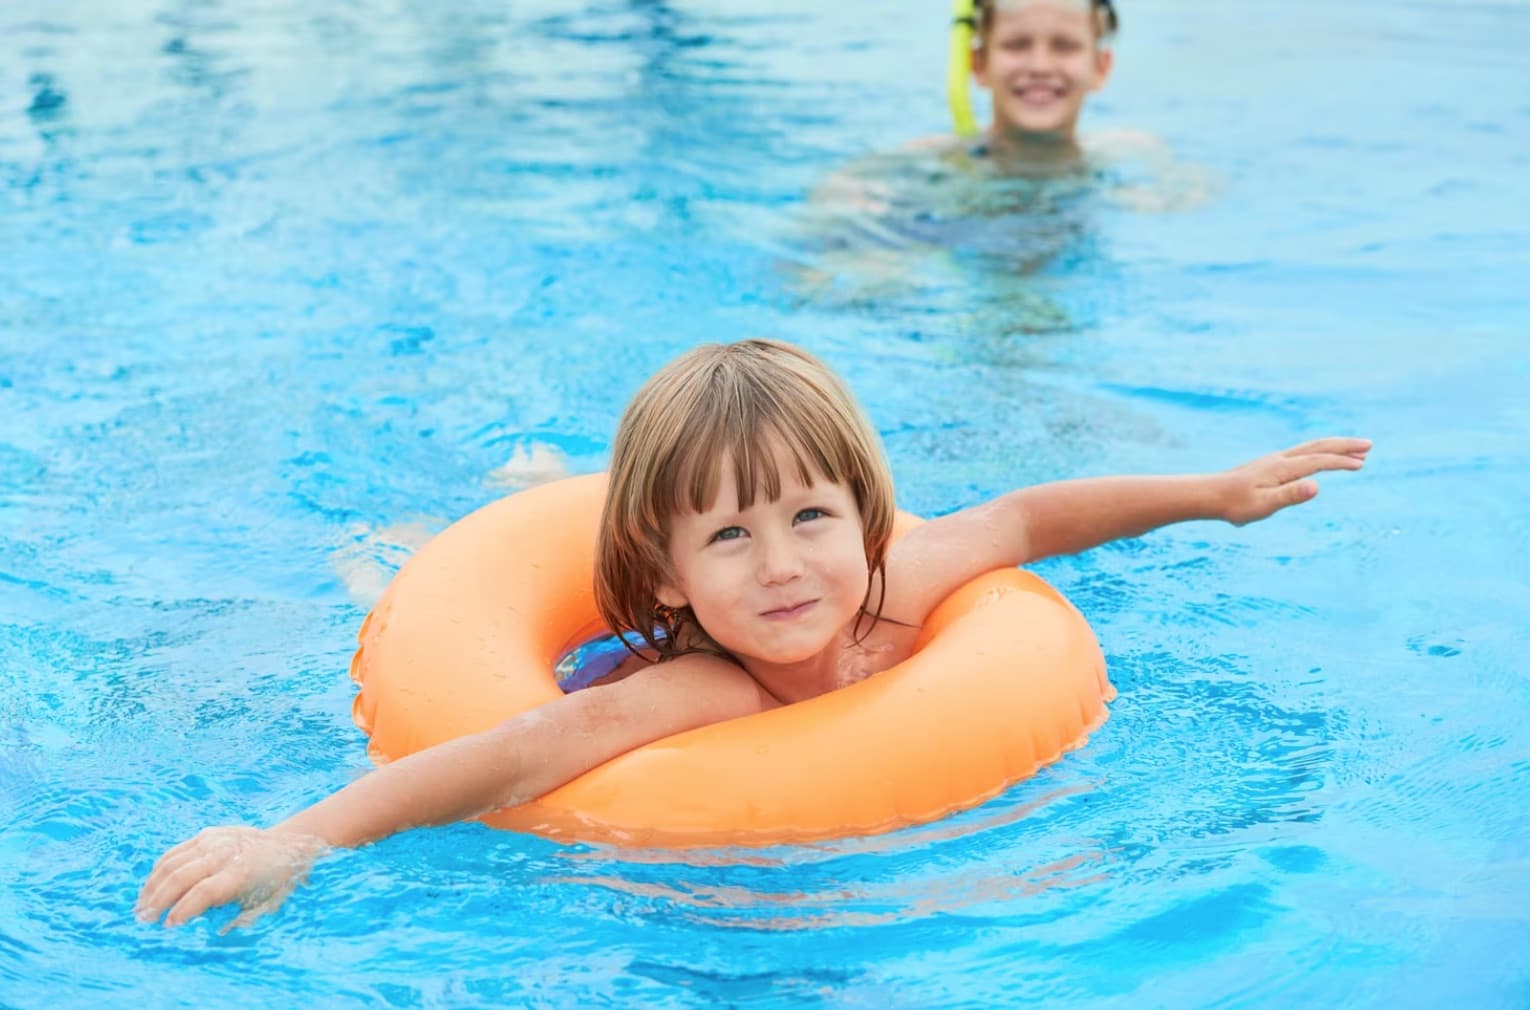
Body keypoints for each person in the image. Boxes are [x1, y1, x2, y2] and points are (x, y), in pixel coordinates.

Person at [136, 339, 1370, 928]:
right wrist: (291, 835)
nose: (784, 565)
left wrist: (1213, 491)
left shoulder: (900, 581)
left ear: (866, 516)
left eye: (811, 516)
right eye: (728, 537)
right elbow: (517, 749)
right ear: (668, 582)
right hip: (605, 665)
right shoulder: (700, 693)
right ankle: (402, 547)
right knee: (394, 574)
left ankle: (530, 495)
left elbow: (1029, 513)